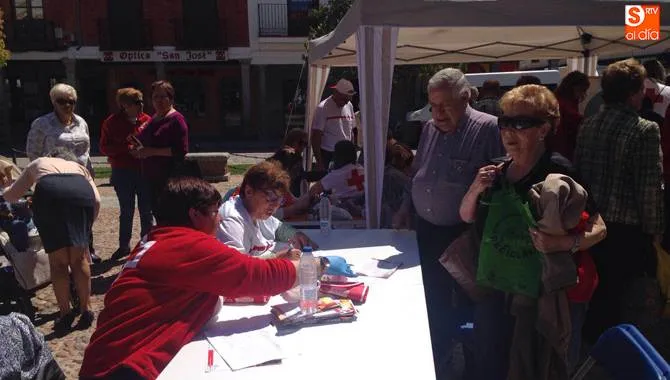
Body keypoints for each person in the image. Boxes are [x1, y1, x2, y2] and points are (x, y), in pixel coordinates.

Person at [79, 177, 316, 380]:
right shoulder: (186, 245)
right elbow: (254, 276)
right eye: (214, 212)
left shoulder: (158, 240)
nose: (219, 219)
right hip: (123, 370)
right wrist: (313, 266)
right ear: (194, 214)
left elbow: (226, 273)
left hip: (107, 362)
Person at [460, 84, 606, 379]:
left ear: (545, 129)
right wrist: (475, 188)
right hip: (496, 286)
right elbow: (466, 216)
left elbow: (600, 227)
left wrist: (564, 242)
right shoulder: (495, 171)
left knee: (536, 365)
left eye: (522, 123)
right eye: (505, 122)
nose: (509, 131)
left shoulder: (558, 173)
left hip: (539, 294)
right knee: (491, 359)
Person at [392, 67, 505, 377]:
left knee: (471, 307)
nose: (438, 113)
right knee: (434, 302)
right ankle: (438, 361)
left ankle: (474, 368)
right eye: (433, 105)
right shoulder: (429, 129)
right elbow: (417, 173)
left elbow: (501, 188)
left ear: (465, 97)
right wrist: (405, 206)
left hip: (464, 237)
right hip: (427, 232)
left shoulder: (489, 129)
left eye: (445, 105)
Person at [575, 58, 665, 343]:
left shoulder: (588, 125)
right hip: (627, 232)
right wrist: (656, 232)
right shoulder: (644, 129)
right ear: (632, 93)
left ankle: (592, 357)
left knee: (599, 298)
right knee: (626, 302)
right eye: (640, 90)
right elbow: (649, 188)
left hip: (591, 226)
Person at [1, 147, 100, 332]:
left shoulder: (39, 163)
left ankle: (65, 313)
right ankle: (87, 309)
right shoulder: (79, 167)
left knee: (58, 263)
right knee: (80, 260)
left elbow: (13, 196)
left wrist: (4, 192)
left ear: (50, 156)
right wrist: (86, 227)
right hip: (81, 194)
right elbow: (97, 200)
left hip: (50, 193)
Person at [25, 83, 100, 264]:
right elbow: (33, 152)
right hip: (54, 178)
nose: (67, 105)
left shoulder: (81, 122)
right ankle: (63, 256)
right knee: (61, 218)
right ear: (53, 101)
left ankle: (87, 249)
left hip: (81, 176)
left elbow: (86, 151)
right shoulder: (42, 124)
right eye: (62, 101)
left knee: (86, 211)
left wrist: (90, 173)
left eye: (71, 101)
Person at [217, 161, 318, 258]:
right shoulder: (232, 219)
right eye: (271, 198)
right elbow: (238, 267)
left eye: (280, 200)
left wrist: (295, 235)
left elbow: (278, 228)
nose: (275, 206)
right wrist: (278, 257)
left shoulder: (258, 211)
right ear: (249, 192)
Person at [99, 88, 153, 260]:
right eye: (135, 103)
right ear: (124, 105)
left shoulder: (147, 120)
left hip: (144, 170)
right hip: (123, 171)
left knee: (147, 210)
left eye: (141, 102)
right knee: (127, 209)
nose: (140, 106)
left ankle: (146, 244)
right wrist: (125, 149)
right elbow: (104, 147)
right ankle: (124, 246)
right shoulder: (112, 123)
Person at [131, 80, 190, 215]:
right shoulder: (153, 118)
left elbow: (180, 151)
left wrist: (151, 152)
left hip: (169, 178)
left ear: (171, 98)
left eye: (163, 96)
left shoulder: (176, 120)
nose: (159, 100)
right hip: (150, 177)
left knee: (169, 214)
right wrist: (136, 149)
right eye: (155, 97)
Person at [311, 78, 356, 170]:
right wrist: (319, 161)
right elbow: (316, 136)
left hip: (346, 153)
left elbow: (351, 131)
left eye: (348, 99)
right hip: (329, 154)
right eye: (343, 99)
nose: (346, 102)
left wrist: (352, 151)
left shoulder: (349, 105)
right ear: (336, 93)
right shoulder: (322, 108)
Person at [551, 71, 590, 161]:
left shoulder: (559, 100)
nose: (582, 94)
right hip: (563, 149)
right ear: (574, 87)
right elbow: (574, 120)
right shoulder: (564, 104)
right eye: (582, 90)